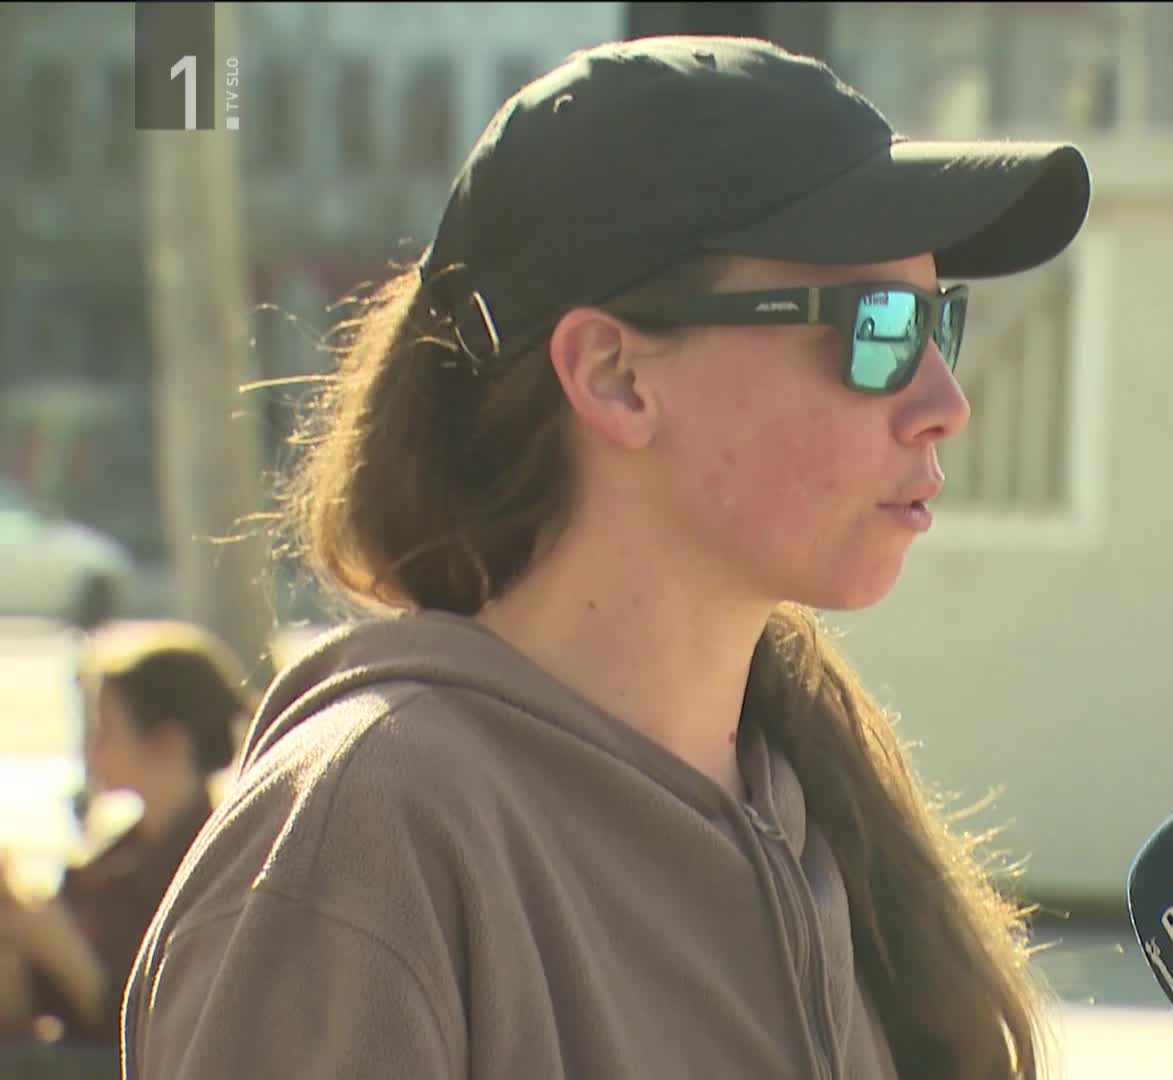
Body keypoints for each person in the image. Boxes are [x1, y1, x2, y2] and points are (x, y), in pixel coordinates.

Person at [121, 34, 1090, 1080]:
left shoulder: (811, 811)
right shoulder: (367, 844)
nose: (946, 401)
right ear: (614, 374)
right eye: (880, 326)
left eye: (942, 320)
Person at [0, 621, 250, 1056]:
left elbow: (157, 1032)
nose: (91, 749)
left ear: (168, 742)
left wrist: (61, 949)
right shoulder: (112, 861)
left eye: (105, 730)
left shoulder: (220, 868)